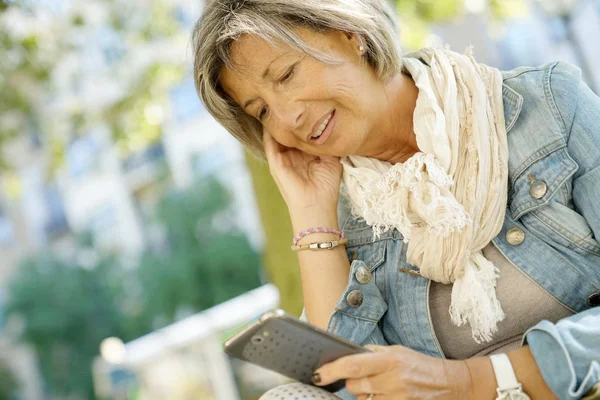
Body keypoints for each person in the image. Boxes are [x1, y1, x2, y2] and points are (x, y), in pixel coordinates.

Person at [192, 0, 600, 399]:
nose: (286, 118)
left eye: (286, 74)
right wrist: (311, 212)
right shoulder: (347, 214)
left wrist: (470, 382)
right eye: (261, 111)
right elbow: (348, 388)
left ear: (351, 34)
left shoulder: (547, 106)